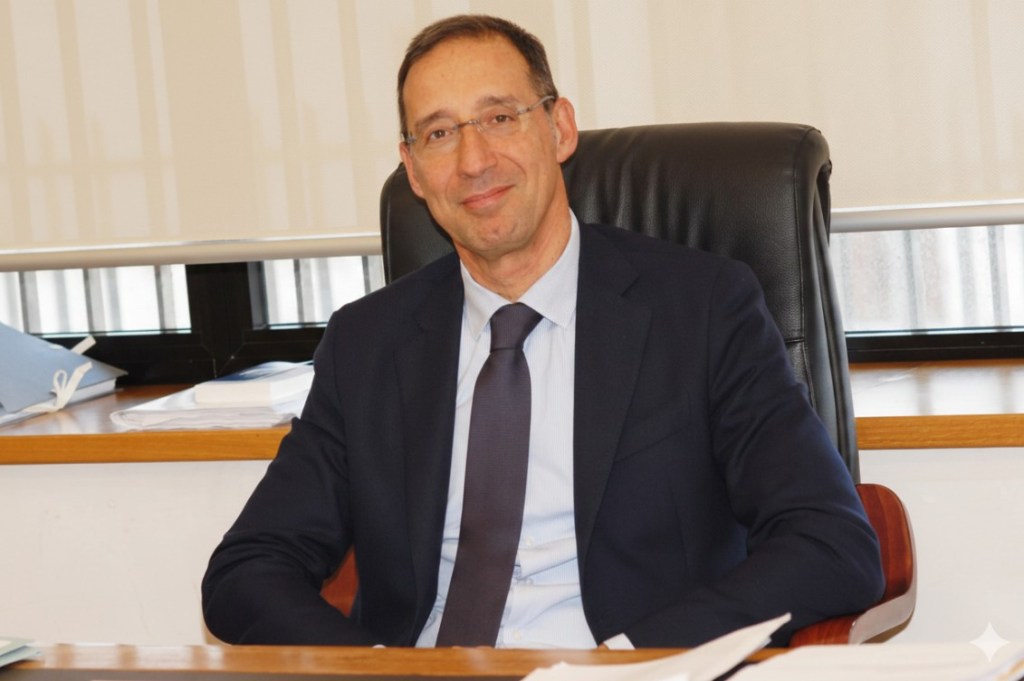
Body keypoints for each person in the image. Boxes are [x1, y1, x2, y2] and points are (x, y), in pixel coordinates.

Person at [202, 14, 883, 649]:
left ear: (559, 129)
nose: (473, 160)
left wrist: (633, 662)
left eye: (499, 117)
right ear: (412, 171)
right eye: (438, 134)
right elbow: (247, 569)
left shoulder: (703, 309)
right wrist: (374, 669)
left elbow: (830, 542)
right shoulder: (366, 344)